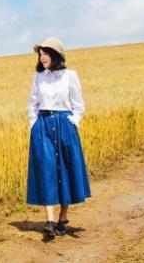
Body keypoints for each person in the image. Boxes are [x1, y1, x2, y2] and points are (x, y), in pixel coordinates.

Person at [26, 37, 91, 237]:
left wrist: (73, 121)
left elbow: (78, 104)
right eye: (40, 54)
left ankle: (62, 218)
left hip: (64, 124)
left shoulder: (70, 76)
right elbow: (33, 103)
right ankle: (50, 220)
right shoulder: (39, 77)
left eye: (45, 54)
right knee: (46, 169)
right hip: (43, 125)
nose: (42, 57)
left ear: (55, 55)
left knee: (65, 169)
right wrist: (34, 125)